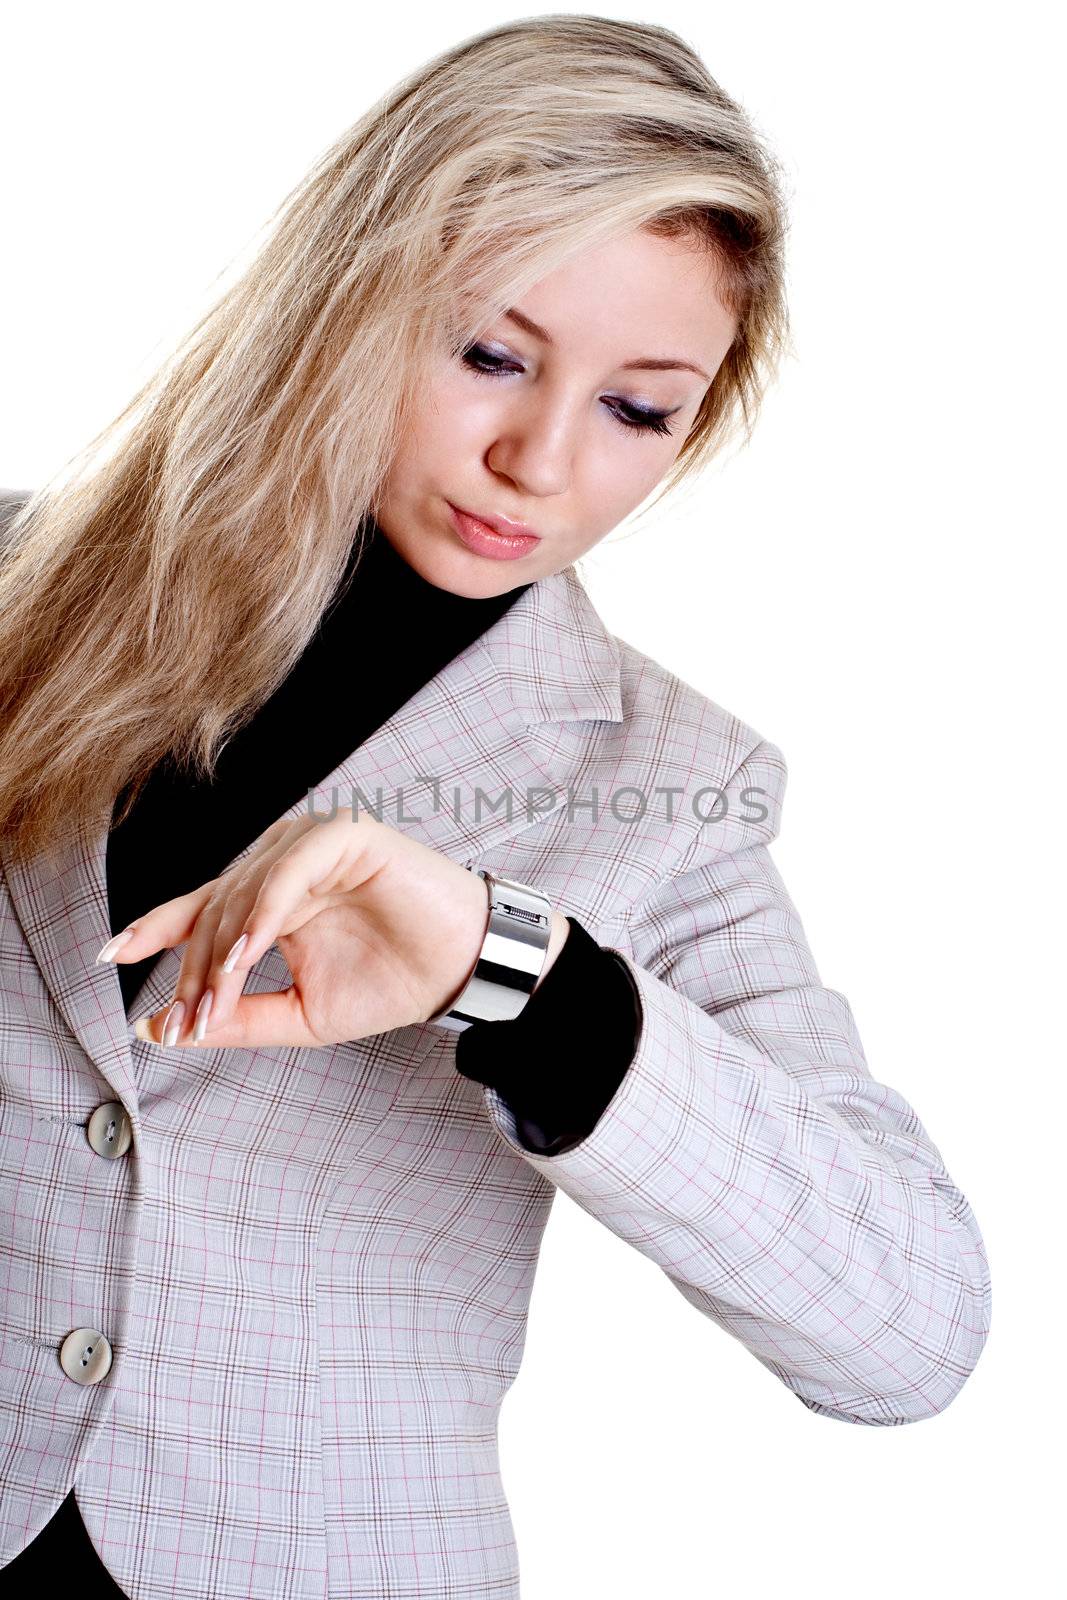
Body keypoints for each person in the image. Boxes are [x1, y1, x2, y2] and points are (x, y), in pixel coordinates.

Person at [0, 15, 991, 1599]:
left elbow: (907, 1328)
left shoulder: (671, 786)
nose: (540, 460)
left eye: (638, 408)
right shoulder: (17, 590)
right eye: (490, 354)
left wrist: (513, 970)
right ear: (349, 299)